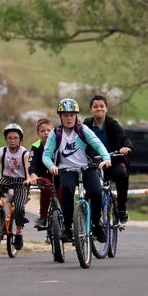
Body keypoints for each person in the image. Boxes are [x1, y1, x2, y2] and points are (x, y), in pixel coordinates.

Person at [43, 98, 112, 242]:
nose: (69, 118)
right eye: (65, 115)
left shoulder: (82, 130)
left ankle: (96, 224)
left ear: (76, 116)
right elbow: (46, 155)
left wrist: (106, 158)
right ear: (60, 117)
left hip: (87, 167)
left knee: (95, 191)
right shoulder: (56, 133)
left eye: (71, 115)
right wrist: (51, 166)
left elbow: (98, 144)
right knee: (67, 189)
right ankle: (67, 228)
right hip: (67, 170)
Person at [0, 123, 34, 249]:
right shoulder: (2, 151)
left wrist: (29, 179)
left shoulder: (24, 153)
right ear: (6, 139)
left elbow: (27, 168)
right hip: (7, 179)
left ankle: (19, 232)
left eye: (15, 138)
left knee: (19, 208)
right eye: (9, 138)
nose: (12, 140)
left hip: (21, 182)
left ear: (20, 139)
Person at [84, 95, 134, 223]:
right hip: (93, 162)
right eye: (95, 106)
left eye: (102, 106)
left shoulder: (112, 124)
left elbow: (123, 136)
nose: (99, 109)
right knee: (91, 188)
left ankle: (121, 207)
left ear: (106, 109)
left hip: (113, 161)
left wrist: (126, 146)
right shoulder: (87, 124)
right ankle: (91, 218)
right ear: (91, 109)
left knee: (122, 174)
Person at [28, 118, 54, 231]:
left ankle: (68, 219)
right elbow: (31, 163)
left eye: (49, 130)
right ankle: (43, 217)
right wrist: (33, 175)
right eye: (43, 131)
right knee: (47, 190)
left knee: (63, 192)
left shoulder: (58, 144)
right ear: (38, 133)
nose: (46, 133)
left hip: (59, 175)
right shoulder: (36, 146)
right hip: (43, 176)